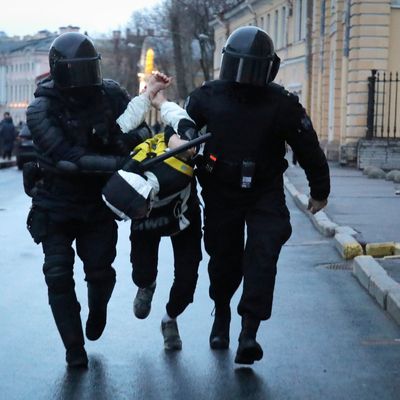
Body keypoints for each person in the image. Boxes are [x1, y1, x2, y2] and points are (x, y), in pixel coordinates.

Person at [151, 26, 330, 365]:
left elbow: (307, 146)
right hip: (220, 187)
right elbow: (178, 129)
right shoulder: (207, 96)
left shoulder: (282, 103)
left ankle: (249, 331)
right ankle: (222, 315)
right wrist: (177, 142)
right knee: (224, 259)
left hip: (264, 189)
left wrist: (320, 189)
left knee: (264, 251)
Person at [25, 32, 160, 368]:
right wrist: (119, 163)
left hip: (99, 201)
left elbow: (131, 129)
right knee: (57, 274)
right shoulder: (41, 108)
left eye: (89, 70)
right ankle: (74, 349)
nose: (85, 80)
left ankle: (97, 311)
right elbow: (68, 158)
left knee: (100, 271)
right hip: (55, 201)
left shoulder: (110, 94)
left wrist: (138, 143)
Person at [113, 89, 203, 351]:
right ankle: (147, 284)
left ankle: (169, 319)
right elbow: (119, 128)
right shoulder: (139, 162)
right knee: (142, 273)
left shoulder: (189, 140)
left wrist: (161, 102)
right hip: (147, 217)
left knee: (187, 283)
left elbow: (180, 119)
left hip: (183, 218)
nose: (187, 148)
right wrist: (146, 98)